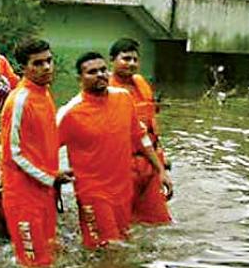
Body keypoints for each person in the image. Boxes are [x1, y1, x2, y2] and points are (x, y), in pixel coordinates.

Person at [57, 52, 172, 249]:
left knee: (123, 243)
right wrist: (52, 175)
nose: (100, 75)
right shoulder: (70, 112)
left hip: (122, 188)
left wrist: (160, 170)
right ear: (79, 78)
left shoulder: (124, 98)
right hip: (92, 192)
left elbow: (141, 137)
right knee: (108, 248)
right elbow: (43, 148)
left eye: (103, 70)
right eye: (92, 72)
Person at [0, 39, 72, 268]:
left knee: (49, 256)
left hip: (45, 193)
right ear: (23, 68)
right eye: (38, 63)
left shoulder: (45, 94)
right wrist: (50, 177)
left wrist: (54, 177)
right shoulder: (19, 100)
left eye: (49, 61)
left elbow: (44, 144)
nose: (46, 67)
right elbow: (13, 153)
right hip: (23, 196)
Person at [109, 38, 172, 225]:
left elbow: (152, 125)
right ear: (112, 60)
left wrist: (162, 161)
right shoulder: (106, 90)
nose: (131, 64)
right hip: (122, 165)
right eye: (126, 59)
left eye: (135, 60)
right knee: (122, 223)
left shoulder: (141, 83)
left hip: (150, 163)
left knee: (159, 222)